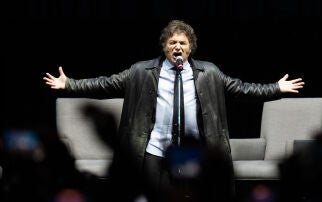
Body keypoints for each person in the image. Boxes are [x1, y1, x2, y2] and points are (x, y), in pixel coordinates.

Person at [43, 19, 305, 202]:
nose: (177, 47)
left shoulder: (209, 72)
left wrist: (275, 88)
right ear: (164, 47)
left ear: (190, 47)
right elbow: (104, 84)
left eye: (182, 42)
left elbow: (243, 90)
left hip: (196, 151)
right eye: (171, 43)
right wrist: (69, 84)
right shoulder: (140, 71)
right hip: (155, 150)